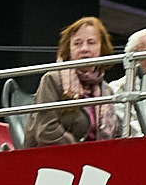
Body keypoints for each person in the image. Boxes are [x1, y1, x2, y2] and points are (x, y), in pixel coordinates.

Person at [27, 16, 124, 146]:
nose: (84, 48)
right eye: (77, 43)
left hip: (97, 160)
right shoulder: (53, 80)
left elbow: (116, 134)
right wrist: (81, 150)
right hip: (55, 158)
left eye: (91, 42)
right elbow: (46, 131)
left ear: (102, 48)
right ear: (69, 50)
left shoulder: (107, 90)